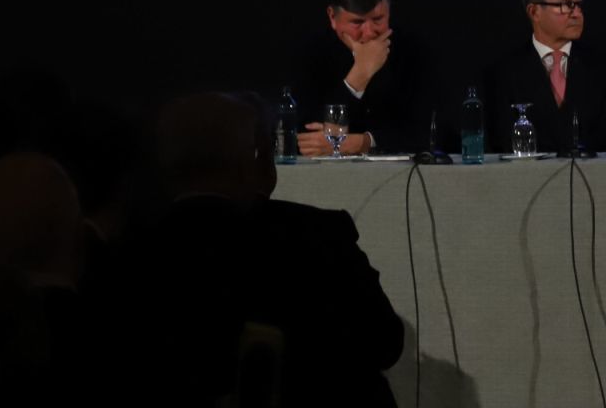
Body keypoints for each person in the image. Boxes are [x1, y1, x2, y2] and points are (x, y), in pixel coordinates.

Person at [100, 92, 402, 407]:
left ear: (163, 165)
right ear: (258, 162)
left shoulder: (129, 253)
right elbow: (384, 342)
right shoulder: (317, 236)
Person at [292, 0, 439, 155]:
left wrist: (362, 142)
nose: (369, 33)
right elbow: (305, 138)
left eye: (378, 19)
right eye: (357, 22)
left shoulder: (413, 51)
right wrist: (358, 76)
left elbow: (425, 132)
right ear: (333, 17)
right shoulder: (313, 54)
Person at [482, 0, 606, 154]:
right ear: (534, 12)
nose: (576, 14)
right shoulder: (502, 73)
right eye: (566, 5)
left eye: (579, 5)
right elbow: (498, 140)